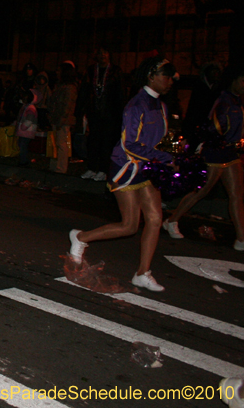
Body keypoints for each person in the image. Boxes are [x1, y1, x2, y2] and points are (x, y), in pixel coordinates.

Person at [68, 57, 177, 292]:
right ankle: (81, 237)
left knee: (155, 219)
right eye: (165, 75)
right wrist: (166, 158)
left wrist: (177, 151)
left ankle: (142, 272)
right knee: (129, 226)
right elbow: (131, 144)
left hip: (149, 168)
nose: (170, 81)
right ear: (151, 75)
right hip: (127, 169)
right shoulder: (136, 105)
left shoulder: (162, 106)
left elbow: (161, 140)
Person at [163, 68, 244, 250]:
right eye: (243, 80)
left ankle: (241, 238)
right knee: (202, 190)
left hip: (231, 152)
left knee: (237, 195)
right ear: (234, 79)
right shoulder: (223, 100)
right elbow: (211, 126)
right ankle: (172, 220)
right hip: (215, 152)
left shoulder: (237, 101)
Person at [77, 47, 125, 182]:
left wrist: (121, 114)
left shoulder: (116, 71)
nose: (102, 55)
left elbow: (120, 94)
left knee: (106, 142)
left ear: (109, 55)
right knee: (93, 141)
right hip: (94, 113)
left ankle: (104, 170)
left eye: (105, 52)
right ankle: (91, 168)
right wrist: (80, 110)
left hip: (110, 114)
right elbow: (84, 91)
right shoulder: (91, 70)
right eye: (99, 53)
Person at [48, 61, 78, 174]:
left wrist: (61, 120)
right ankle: (55, 166)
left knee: (61, 144)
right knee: (56, 143)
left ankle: (61, 168)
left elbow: (67, 106)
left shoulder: (69, 87)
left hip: (62, 120)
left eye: (59, 70)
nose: (57, 72)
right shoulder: (61, 85)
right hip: (57, 118)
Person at [16, 89, 40, 166]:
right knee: (22, 145)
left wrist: (23, 127)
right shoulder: (26, 107)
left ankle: (24, 161)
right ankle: (23, 160)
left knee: (23, 146)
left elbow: (29, 120)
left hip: (26, 131)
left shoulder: (30, 108)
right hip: (25, 131)